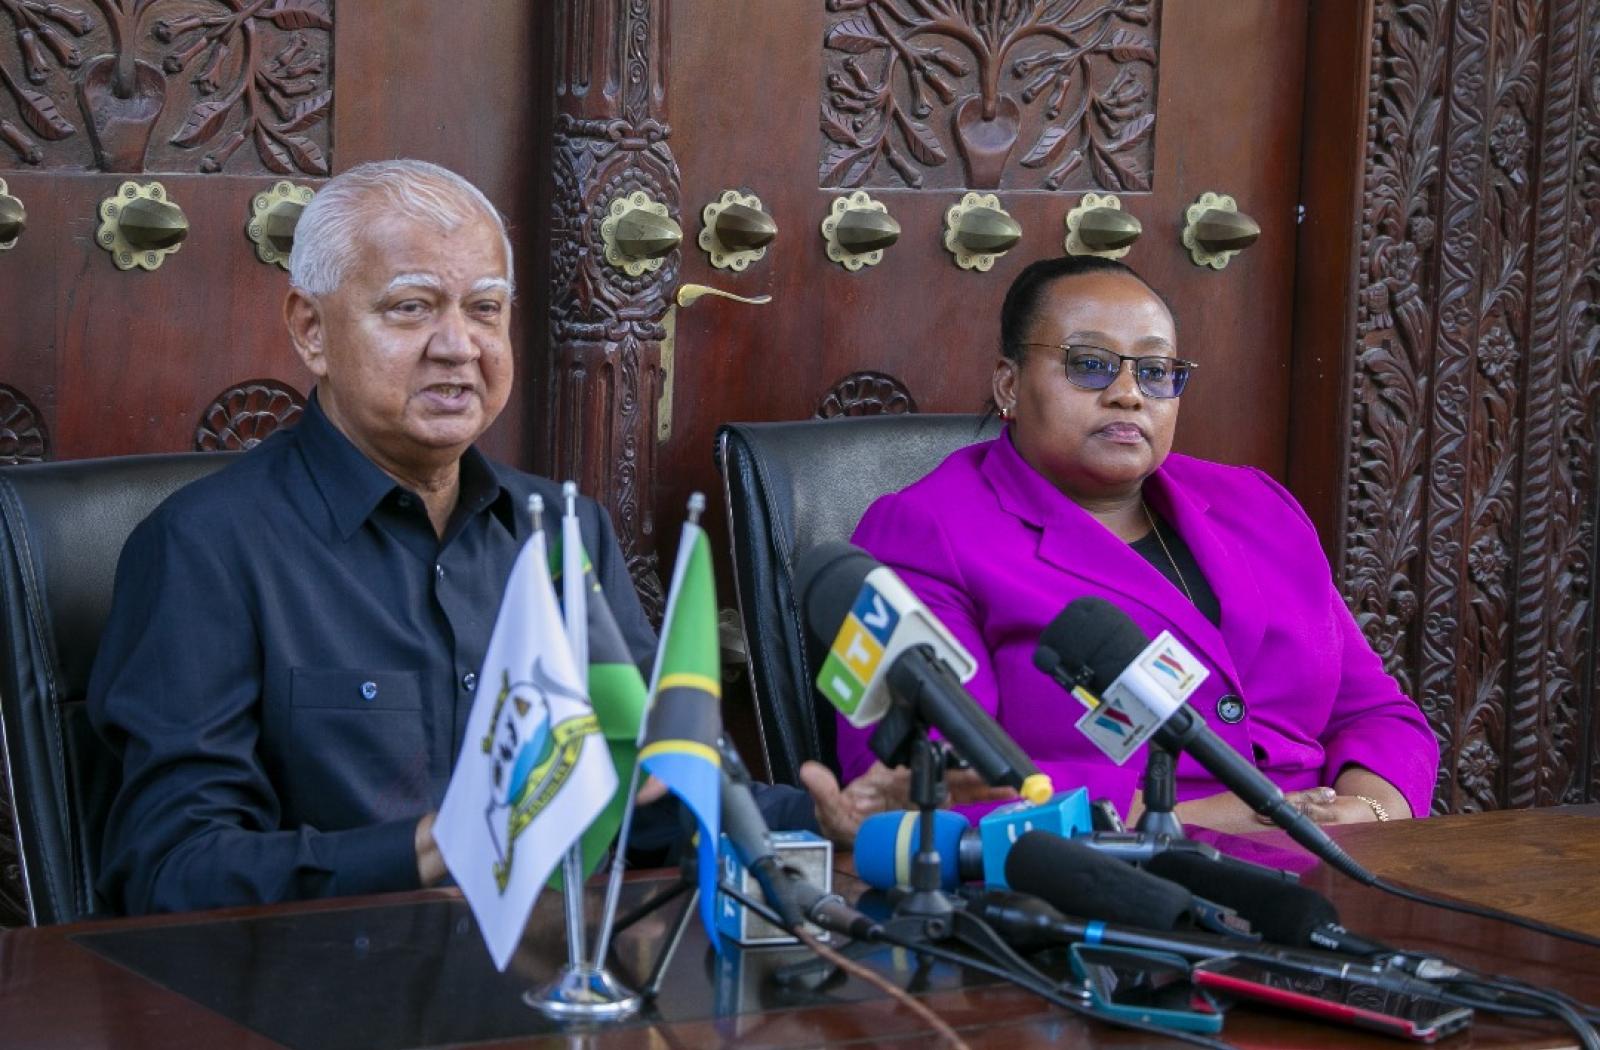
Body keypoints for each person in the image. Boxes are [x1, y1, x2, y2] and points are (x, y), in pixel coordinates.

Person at [88, 160, 987, 915]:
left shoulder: (558, 530)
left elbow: (654, 787)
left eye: (485, 309)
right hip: (332, 999)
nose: (458, 345)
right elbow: (170, 872)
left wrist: (826, 818)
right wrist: (428, 849)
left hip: (570, 980)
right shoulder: (204, 550)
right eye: (409, 309)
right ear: (310, 331)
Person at [838, 256, 1440, 835]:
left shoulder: (1258, 508)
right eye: (1091, 364)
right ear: (1010, 385)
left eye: (1154, 372)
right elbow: (916, 788)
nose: (1129, 394)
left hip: (1334, 863)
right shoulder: (915, 533)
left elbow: (1377, 715)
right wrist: (1199, 819)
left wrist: (1370, 815)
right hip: (1110, 880)